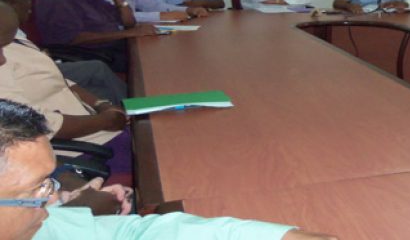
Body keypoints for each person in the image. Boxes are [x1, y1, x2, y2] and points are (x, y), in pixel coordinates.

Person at [0, 99, 337, 240]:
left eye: (50, 182)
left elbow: (129, 234)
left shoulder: (40, 223)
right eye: (39, 188)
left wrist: (278, 236)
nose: (56, 198)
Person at [0, 1, 130, 175]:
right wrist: (107, 120)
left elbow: (60, 80)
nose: (3, 59)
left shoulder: (16, 41)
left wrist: (101, 104)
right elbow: (40, 124)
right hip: (83, 148)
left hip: (95, 126)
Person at [0, 0, 127, 105]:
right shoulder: (57, 0)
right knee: (98, 71)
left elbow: (126, 21)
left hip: (46, 67)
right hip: (58, 63)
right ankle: (135, 112)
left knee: (102, 90)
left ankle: (134, 110)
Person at [34, 0, 159, 72]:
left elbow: (128, 22)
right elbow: (73, 38)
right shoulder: (58, 0)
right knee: (153, 63)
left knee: (157, 52)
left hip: (112, 47)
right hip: (88, 54)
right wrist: (126, 34)